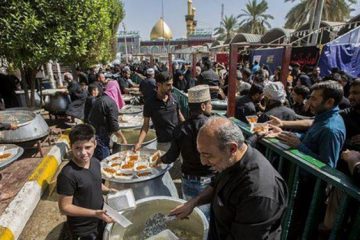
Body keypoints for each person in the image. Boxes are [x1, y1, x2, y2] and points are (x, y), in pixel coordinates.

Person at [170, 117, 288, 240]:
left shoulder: (259, 191)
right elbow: (216, 183)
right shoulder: (230, 159)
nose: (203, 162)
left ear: (232, 148)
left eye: (207, 155)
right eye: (200, 153)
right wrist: (194, 202)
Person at [159, 85, 214, 218]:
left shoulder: (180, 128)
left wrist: (159, 159)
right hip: (208, 184)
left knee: (191, 216)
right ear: (202, 106)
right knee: (206, 219)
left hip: (188, 180)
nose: (211, 106)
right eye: (210, 103)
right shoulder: (212, 127)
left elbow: (171, 157)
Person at [57, 124, 116, 240]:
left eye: (87, 147)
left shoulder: (95, 162)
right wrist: (94, 213)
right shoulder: (67, 175)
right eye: (78, 148)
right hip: (83, 230)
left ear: (95, 144)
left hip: (100, 219)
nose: (83, 153)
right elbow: (64, 207)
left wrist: (107, 190)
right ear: (71, 147)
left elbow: (95, 182)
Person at [135, 71, 184, 152]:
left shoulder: (174, 98)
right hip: (163, 144)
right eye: (168, 85)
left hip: (179, 140)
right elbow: (146, 125)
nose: (171, 87)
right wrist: (139, 143)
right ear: (158, 85)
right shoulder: (149, 103)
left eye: (172, 84)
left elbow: (180, 116)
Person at [88, 80, 127, 160]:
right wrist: (124, 139)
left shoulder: (101, 99)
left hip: (93, 131)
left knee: (98, 156)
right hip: (101, 135)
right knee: (104, 159)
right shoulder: (111, 102)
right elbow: (114, 126)